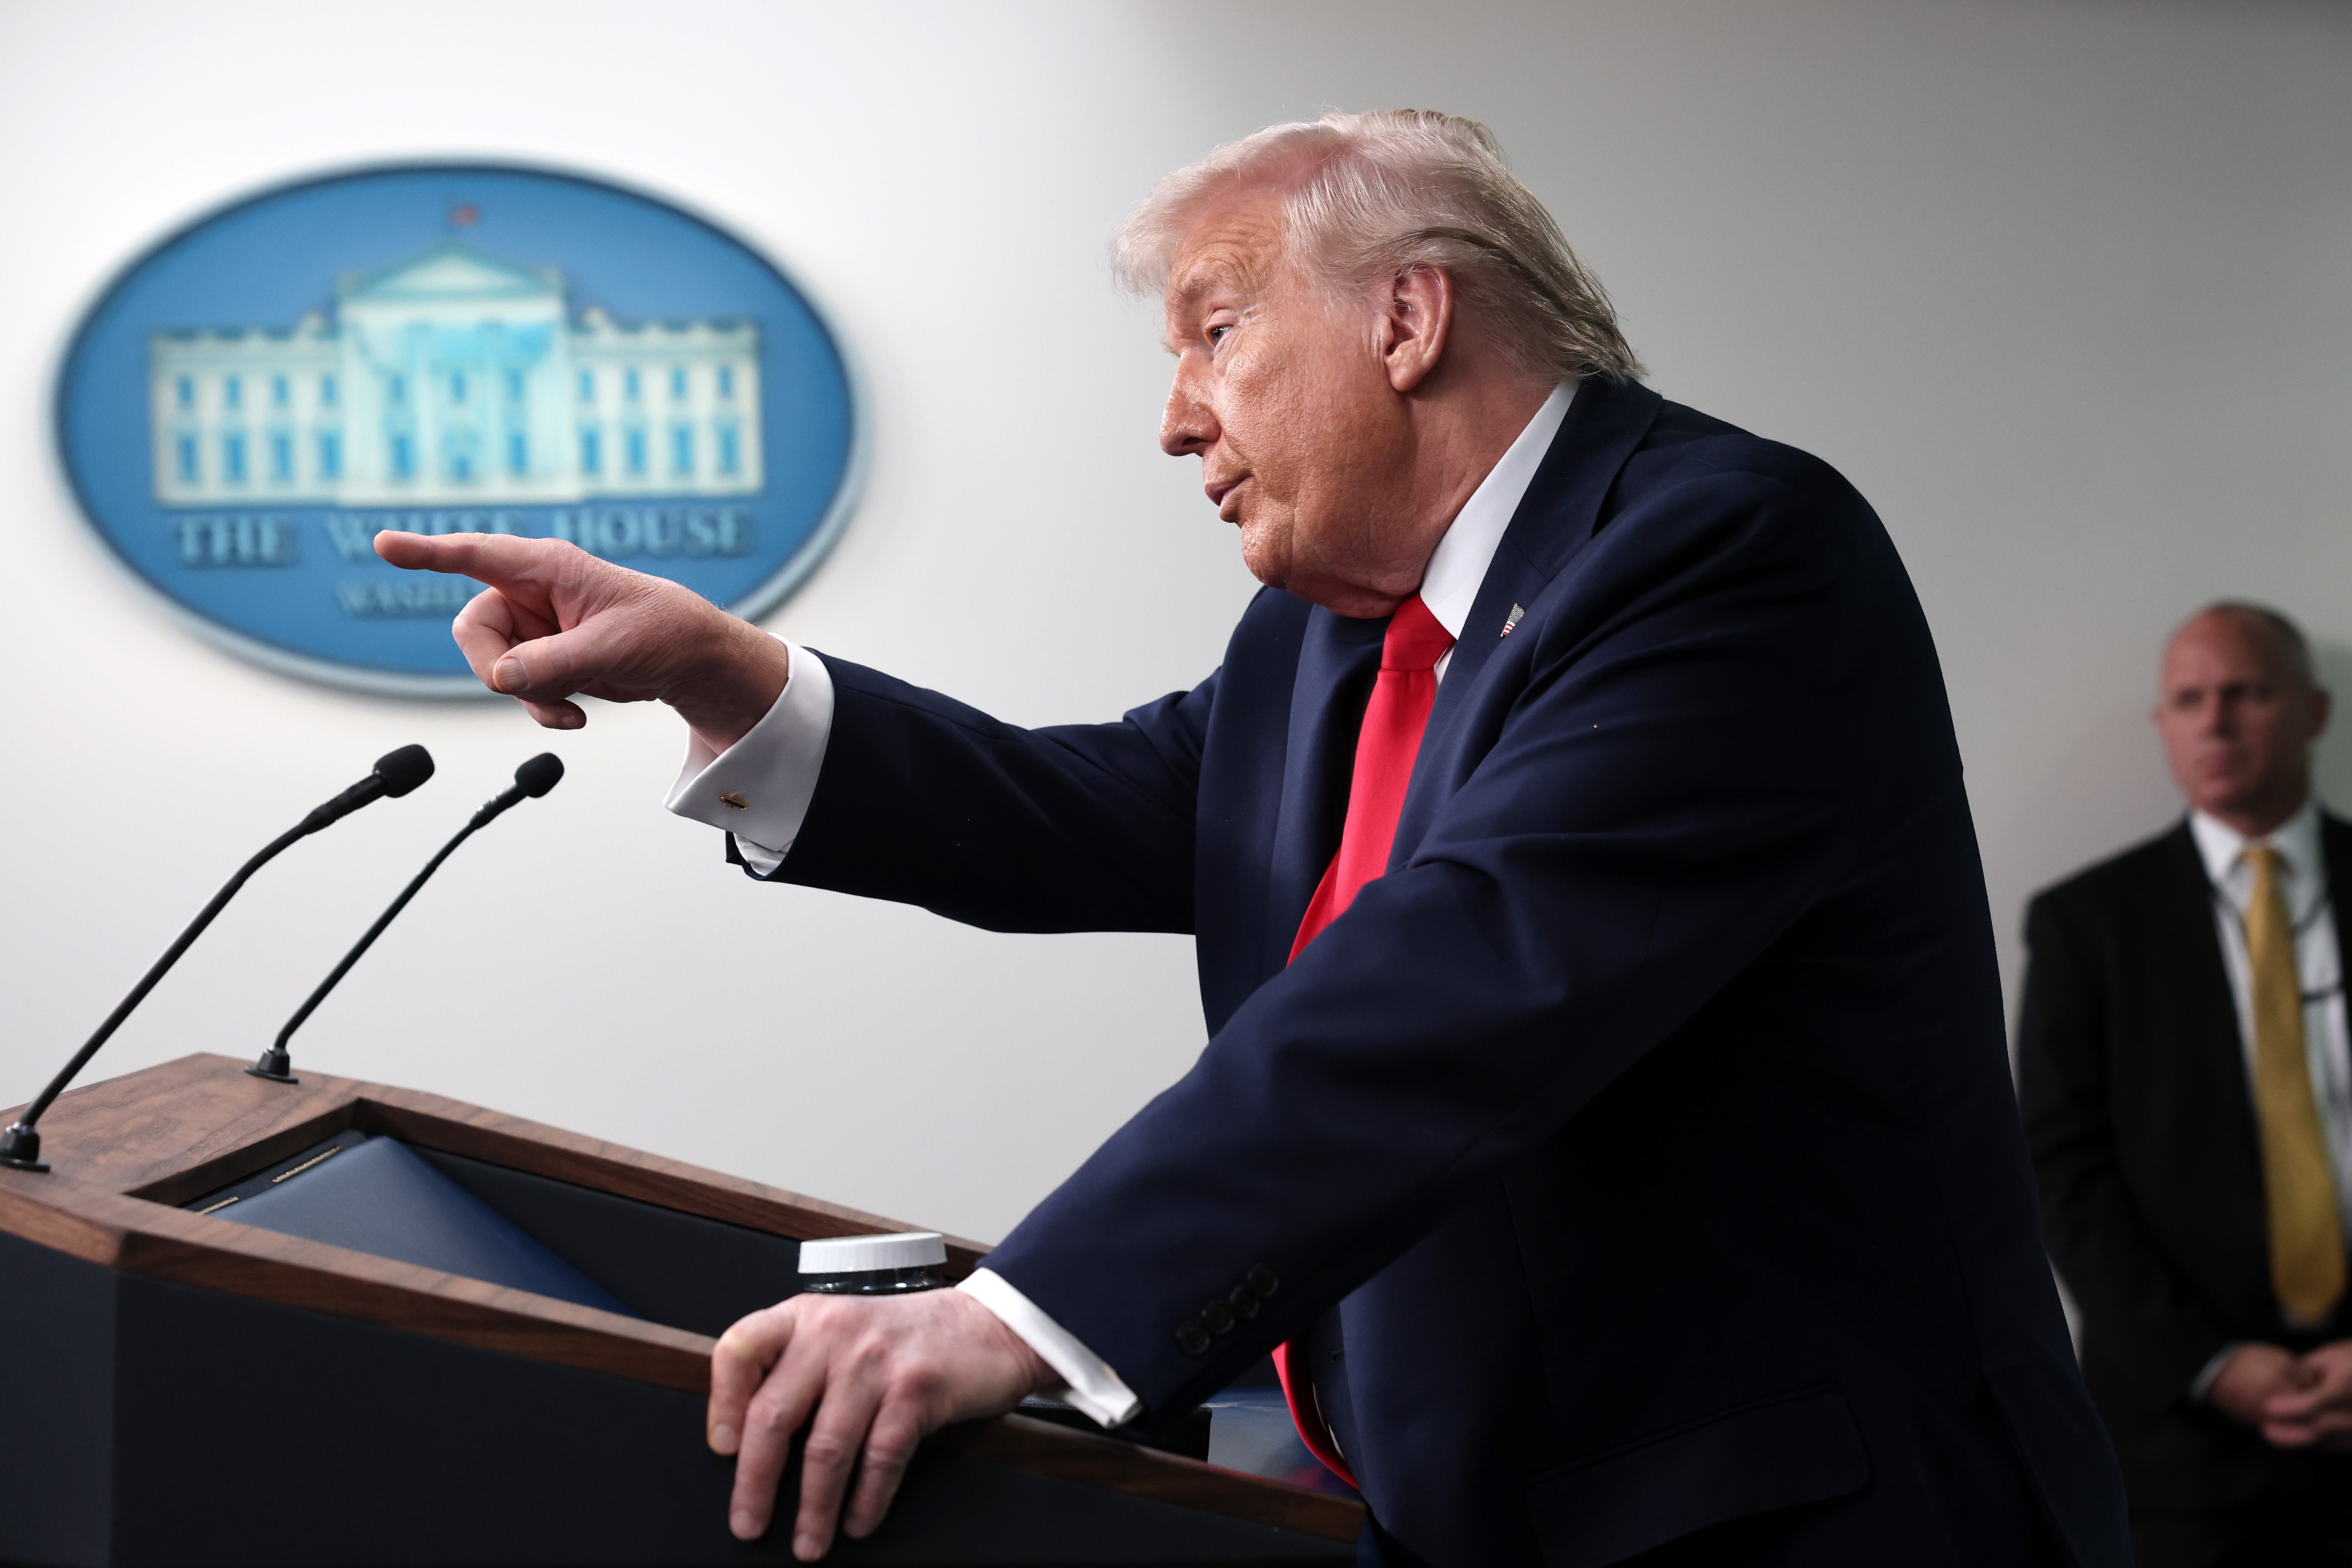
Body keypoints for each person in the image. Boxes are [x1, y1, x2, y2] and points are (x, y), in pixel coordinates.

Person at [380, 111, 2127, 1568]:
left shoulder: (1722, 554)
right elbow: (1092, 810)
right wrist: (730, 670)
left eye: (1214, 333)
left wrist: (1011, 1317)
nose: (1172, 418)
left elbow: (1457, 978)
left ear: (1403, 321)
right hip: (1457, 1501)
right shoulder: (1325, 628)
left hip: (1790, 1522)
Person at [2019, 603, 2352, 1567]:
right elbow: (2058, 1171)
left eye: (2245, 692)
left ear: (2313, 709)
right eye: (2188, 699)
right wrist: (2206, 1362)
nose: (2215, 721)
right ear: (2160, 723)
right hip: (2178, 1450)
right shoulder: (2085, 926)